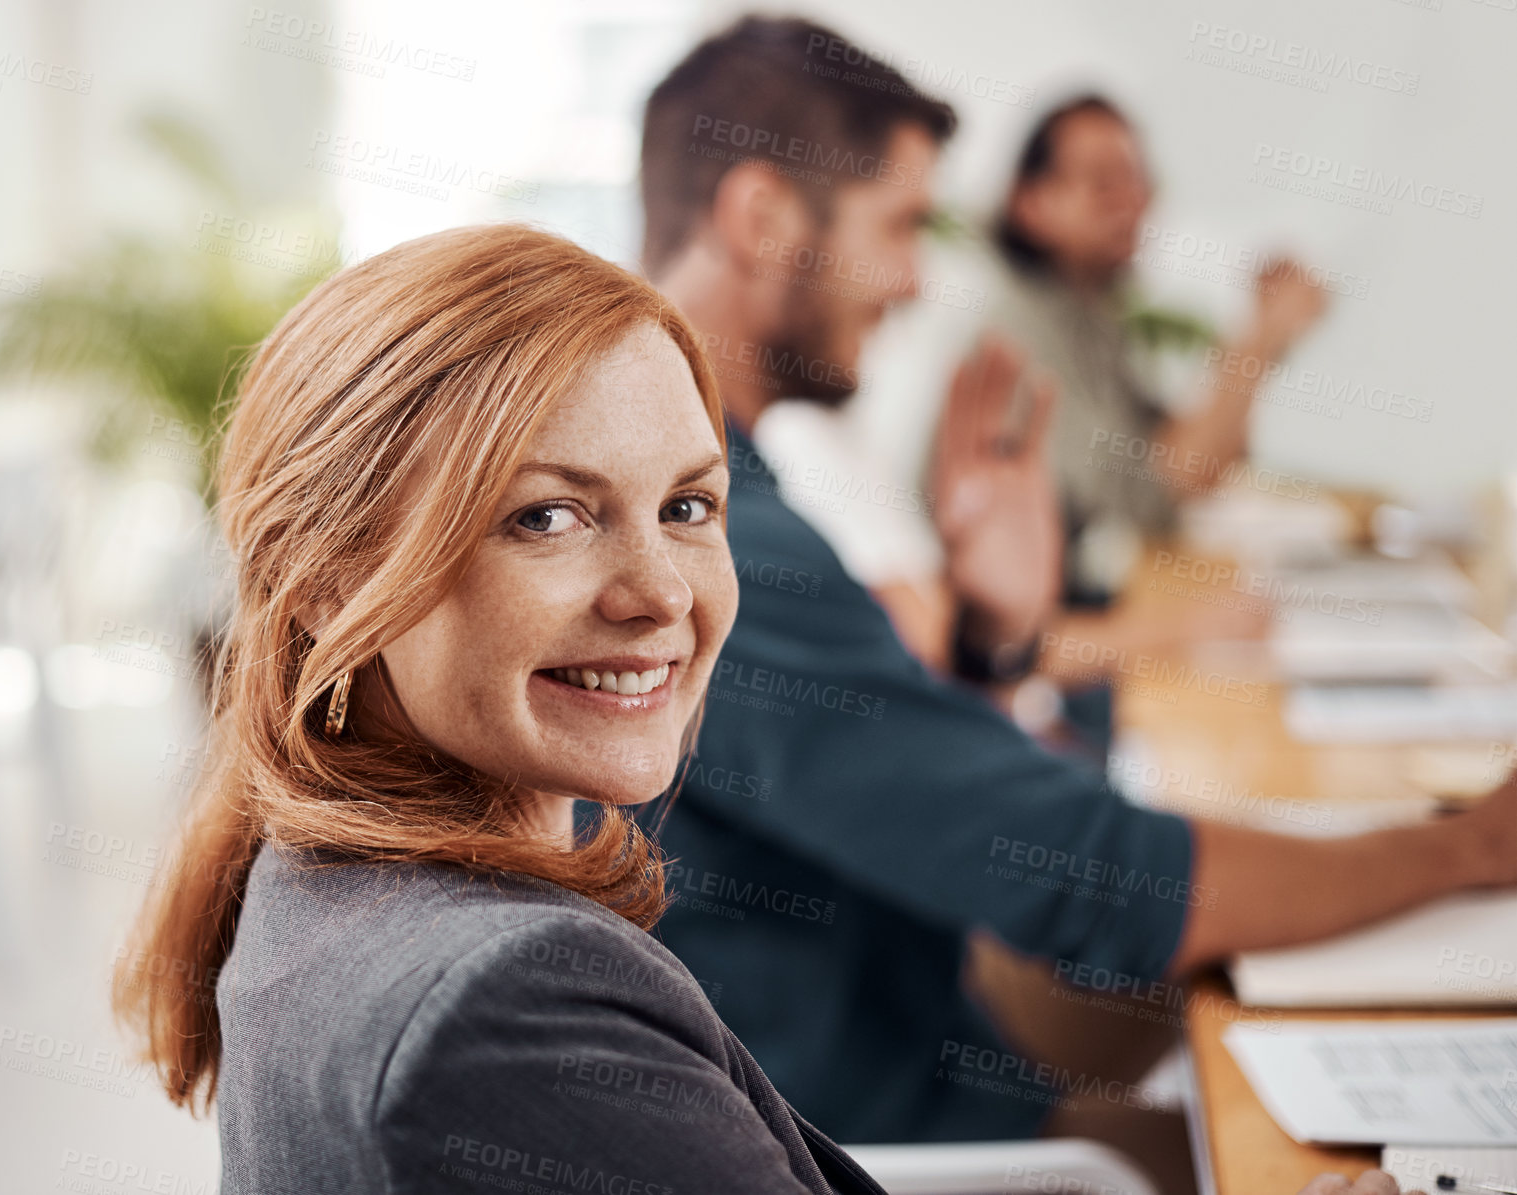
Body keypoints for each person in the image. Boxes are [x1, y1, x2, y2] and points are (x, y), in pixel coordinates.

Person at [637, 12, 1517, 1164]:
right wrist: (1467, 848)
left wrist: (997, 637)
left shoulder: (702, 487)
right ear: (760, 217)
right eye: (899, 224)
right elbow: (1095, 885)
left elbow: (875, 765)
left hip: (906, 1028)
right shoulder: (712, 543)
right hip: (866, 1135)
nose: (911, 279)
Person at [111, 224, 884, 1194]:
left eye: (687, 506)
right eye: (545, 517)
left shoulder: (322, 874)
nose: (662, 595)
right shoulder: (511, 1010)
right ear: (327, 580)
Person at [991, 93, 1330, 607]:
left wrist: (1265, 335)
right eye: (1104, 183)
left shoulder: (1089, 317)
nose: (1132, 204)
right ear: (1031, 203)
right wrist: (1259, 337)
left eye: (1138, 181)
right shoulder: (1020, 333)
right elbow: (1157, 493)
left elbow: (1202, 460)